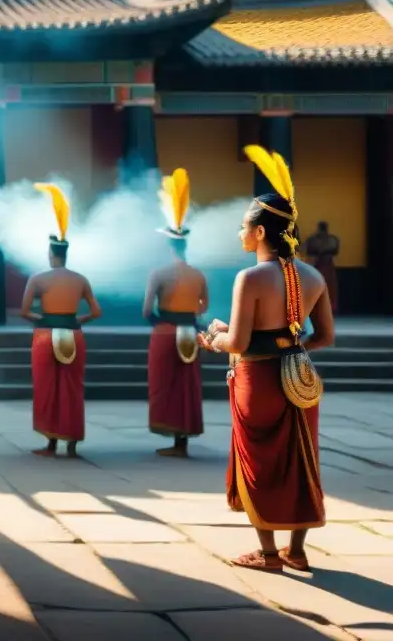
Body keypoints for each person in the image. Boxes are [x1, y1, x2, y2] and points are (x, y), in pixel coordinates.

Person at [198, 144, 333, 572]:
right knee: (300, 458)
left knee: (260, 461)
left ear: (260, 233)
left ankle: (270, 554)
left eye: (243, 226)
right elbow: (325, 336)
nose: (240, 232)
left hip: (257, 380)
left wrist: (213, 338)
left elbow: (238, 341)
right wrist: (288, 349)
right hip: (299, 377)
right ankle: (297, 550)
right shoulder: (312, 276)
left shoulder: (250, 278)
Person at [21, 183, 101, 459]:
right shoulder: (80, 279)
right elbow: (96, 312)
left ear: (50, 254)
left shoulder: (39, 278)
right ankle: (72, 443)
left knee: (47, 388)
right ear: (65, 254)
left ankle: (51, 443)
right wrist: (78, 318)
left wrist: (42, 318)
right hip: (74, 333)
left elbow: (24, 312)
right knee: (72, 387)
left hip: (45, 334)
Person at [143, 168, 206, 458]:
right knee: (187, 387)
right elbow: (203, 306)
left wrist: (162, 320)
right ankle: (183, 441)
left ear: (170, 245)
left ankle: (172, 437)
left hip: (165, 331)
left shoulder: (159, 272)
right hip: (190, 331)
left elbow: (147, 310)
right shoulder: (198, 275)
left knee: (165, 385)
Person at [305, 221, 339, 315]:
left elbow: (309, 251)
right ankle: (328, 309)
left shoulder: (313, 239)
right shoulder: (333, 240)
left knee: (322, 287)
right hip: (325, 264)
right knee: (329, 288)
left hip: (319, 264)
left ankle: (319, 308)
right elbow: (335, 251)